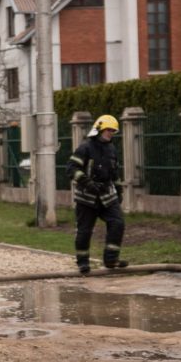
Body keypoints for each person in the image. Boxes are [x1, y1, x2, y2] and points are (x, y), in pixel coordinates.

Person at [66, 114, 128, 274]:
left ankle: (111, 260)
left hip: (107, 196)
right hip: (86, 197)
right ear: (99, 129)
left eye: (113, 131)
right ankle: (83, 262)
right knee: (84, 230)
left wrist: (119, 189)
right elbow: (71, 168)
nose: (111, 133)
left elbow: (115, 172)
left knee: (117, 223)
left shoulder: (112, 149)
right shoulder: (85, 147)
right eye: (108, 130)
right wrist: (87, 182)